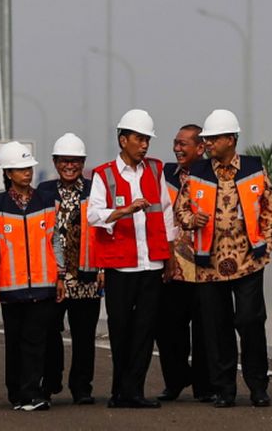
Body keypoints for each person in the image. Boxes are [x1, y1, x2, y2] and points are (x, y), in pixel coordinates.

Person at [174, 108, 272, 409]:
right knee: (217, 329)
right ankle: (224, 390)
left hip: (248, 262)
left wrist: (267, 244)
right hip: (208, 265)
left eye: (213, 138)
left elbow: (270, 206)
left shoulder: (253, 169)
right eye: (205, 139)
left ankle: (258, 386)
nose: (207, 144)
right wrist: (192, 220)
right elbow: (181, 211)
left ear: (231, 139)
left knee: (250, 322)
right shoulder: (197, 174)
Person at [87, 109, 177, 409]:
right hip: (120, 265)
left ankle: (134, 391)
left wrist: (169, 256)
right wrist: (124, 211)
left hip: (151, 263)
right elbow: (94, 216)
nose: (145, 145)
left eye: (147, 139)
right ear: (123, 139)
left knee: (145, 329)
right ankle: (118, 392)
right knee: (121, 327)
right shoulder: (104, 175)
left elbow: (165, 212)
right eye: (139, 138)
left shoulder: (155, 170)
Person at [0, 140, 61, 411]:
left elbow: (55, 241)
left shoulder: (47, 201)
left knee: (35, 340)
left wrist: (60, 275)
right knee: (14, 341)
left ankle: (33, 393)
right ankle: (16, 393)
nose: (27, 172)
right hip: (11, 285)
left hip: (43, 284)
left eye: (28, 167)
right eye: (20, 168)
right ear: (8, 173)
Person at [36, 132, 101, 405]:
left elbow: (102, 229)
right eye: (64, 161)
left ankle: (82, 388)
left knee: (84, 336)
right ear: (55, 162)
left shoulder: (95, 190)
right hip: (55, 277)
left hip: (87, 274)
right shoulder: (44, 192)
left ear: (83, 162)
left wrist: (102, 268)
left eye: (75, 161)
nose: (70, 166)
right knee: (49, 332)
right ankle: (50, 381)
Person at [155, 123, 215, 403]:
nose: (177, 149)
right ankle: (176, 380)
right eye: (175, 143)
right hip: (172, 265)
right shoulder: (165, 175)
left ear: (200, 148)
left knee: (205, 329)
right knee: (168, 328)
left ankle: (205, 386)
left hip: (204, 265)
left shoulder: (212, 176)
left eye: (184, 144)